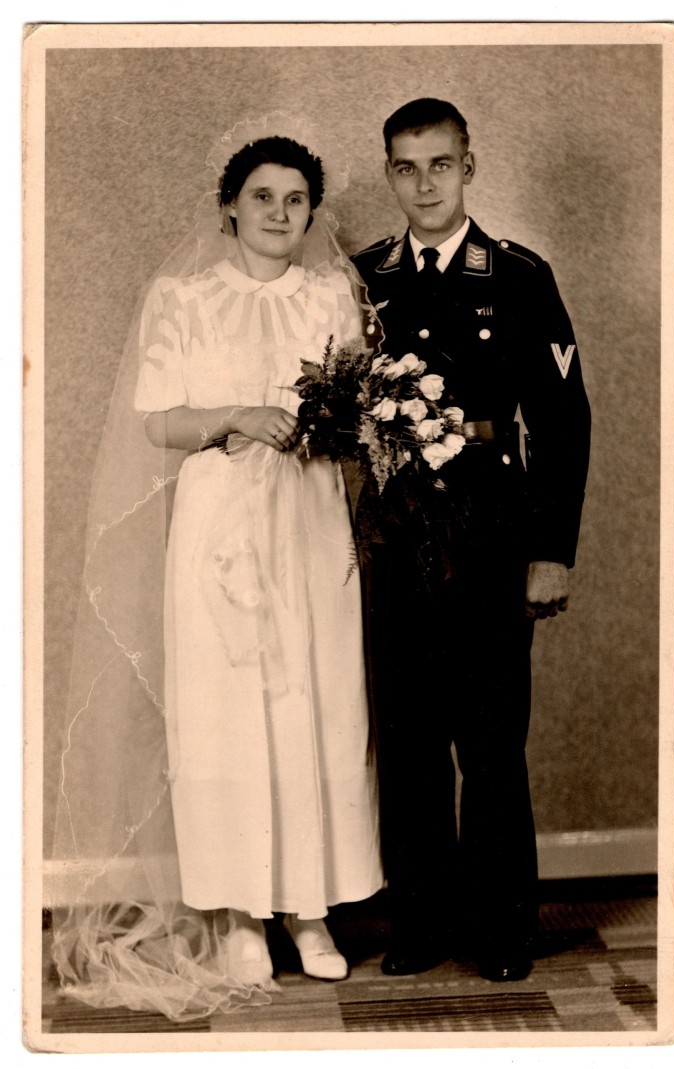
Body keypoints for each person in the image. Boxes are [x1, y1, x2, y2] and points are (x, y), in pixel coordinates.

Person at [52, 123, 382, 1021]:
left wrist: (326, 425)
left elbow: (358, 404)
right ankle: (240, 911)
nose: (281, 213)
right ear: (229, 206)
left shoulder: (328, 294)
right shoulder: (183, 296)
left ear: (313, 211)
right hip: (220, 519)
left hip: (308, 515)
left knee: (315, 696)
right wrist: (237, 411)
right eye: (263, 197)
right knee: (229, 706)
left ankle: (312, 911)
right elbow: (155, 418)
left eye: (297, 199)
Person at [351, 98, 591, 982]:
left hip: (493, 526)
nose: (424, 184)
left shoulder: (520, 276)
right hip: (398, 532)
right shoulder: (363, 275)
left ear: (469, 166)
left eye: (440, 165)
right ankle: (418, 922)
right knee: (410, 737)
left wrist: (551, 548)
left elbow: (563, 421)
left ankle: (499, 928)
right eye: (406, 167)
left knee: (490, 740)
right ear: (388, 173)